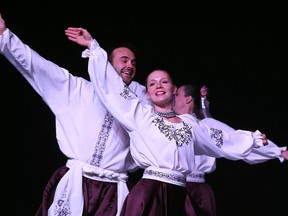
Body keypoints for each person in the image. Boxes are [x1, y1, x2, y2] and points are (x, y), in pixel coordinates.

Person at [82, 34, 270, 215]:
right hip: (148, 194)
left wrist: (251, 139)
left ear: (174, 90)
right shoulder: (141, 116)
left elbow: (219, 139)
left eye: (164, 82)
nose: (159, 86)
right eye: (153, 84)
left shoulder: (189, 124)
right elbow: (113, 91)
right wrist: (94, 49)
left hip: (179, 195)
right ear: (147, 93)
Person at [0, 14, 146, 216]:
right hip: (77, 182)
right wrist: (4, 36)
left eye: (133, 62)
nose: (130, 65)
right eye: (124, 60)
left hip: (112, 190)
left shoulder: (137, 105)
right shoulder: (77, 90)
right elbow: (37, 66)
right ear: (106, 64)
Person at [173, 84, 288, 216]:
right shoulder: (168, 123)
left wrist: (278, 151)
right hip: (172, 186)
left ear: (188, 99)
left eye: (176, 95)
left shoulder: (206, 125)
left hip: (196, 190)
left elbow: (235, 141)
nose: (172, 97)